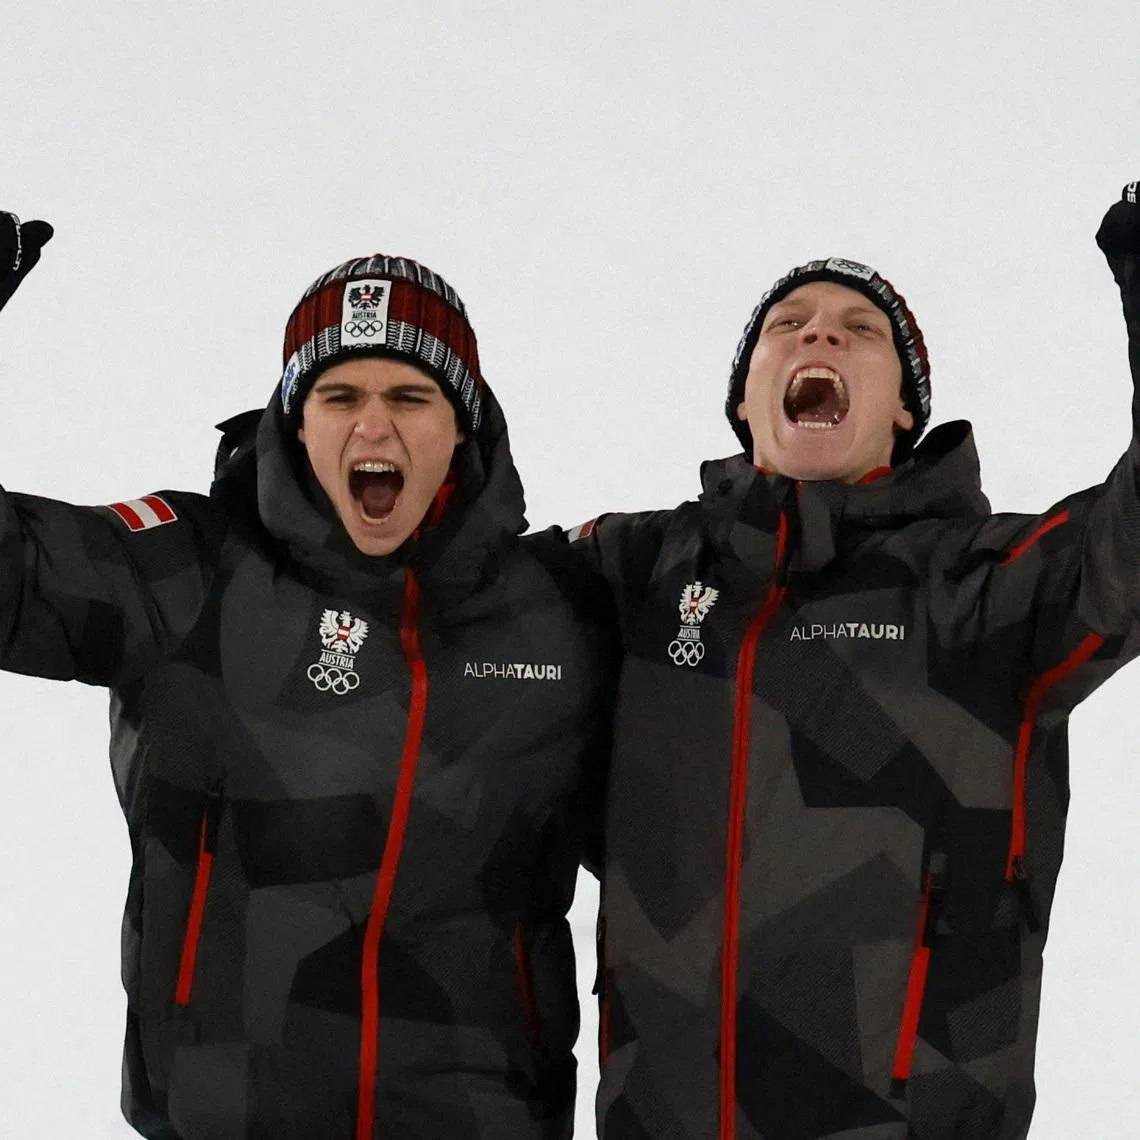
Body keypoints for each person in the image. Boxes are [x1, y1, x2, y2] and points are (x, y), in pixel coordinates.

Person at [0, 214, 616, 1140]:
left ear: (462, 424)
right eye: (339, 395)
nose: (374, 423)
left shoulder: (559, 613)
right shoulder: (187, 574)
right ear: (296, 420)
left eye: (410, 395)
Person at [574, 183, 1140, 1139]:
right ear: (744, 400)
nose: (820, 334)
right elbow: (447, 595)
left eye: (860, 329)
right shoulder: (637, 573)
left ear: (904, 410)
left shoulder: (983, 589)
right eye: (787, 324)